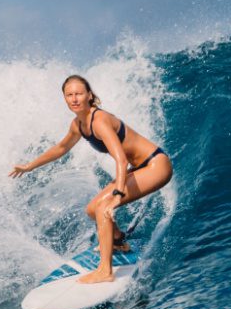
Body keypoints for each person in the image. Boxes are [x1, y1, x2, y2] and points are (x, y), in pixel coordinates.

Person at [9, 75, 173, 283]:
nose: (74, 99)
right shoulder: (78, 125)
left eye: (78, 94)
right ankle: (118, 241)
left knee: (104, 207)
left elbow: (121, 160)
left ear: (89, 95)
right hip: (140, 167)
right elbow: (61, 148)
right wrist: (29, 166)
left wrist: (117, 195)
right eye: (69, 95)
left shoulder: (100, 121)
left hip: (155, 165)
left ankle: (105, 271)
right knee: (91, 209)